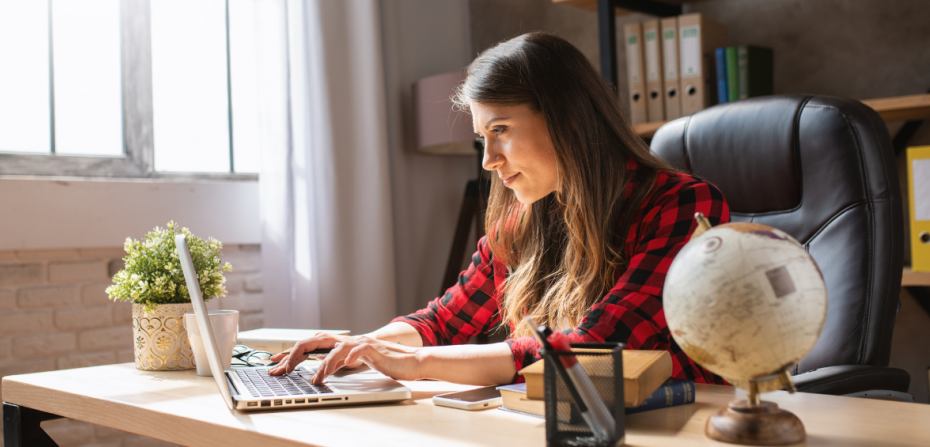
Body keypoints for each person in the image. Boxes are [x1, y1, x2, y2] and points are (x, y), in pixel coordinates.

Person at [269, 32, 730, 387]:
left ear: (568, 117)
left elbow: (599, 351)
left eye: (502, 129)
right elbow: (444, 321)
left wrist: (417, 364)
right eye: (481, 139)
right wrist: (362, 345)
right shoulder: (521, 222)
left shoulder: (685, 206)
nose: (489, 160)